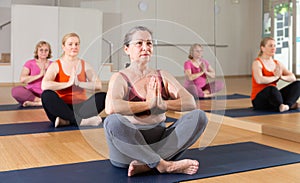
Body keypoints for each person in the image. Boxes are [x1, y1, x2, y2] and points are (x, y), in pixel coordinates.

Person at [103, 26, 208, 177]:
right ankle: (163, 164)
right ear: (127, 49)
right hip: (128, 151)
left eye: (149, 43)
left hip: (159, 141)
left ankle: (148, 164)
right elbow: (111, 107)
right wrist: (148, 105)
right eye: (139, 43)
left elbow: (190, 102)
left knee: (199, 117)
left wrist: (164, 104)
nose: (145, 47)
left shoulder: (162, 75)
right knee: (112, 121)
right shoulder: (120, 78)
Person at [41, 32, 106, 127]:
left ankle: (67, 121)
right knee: (46, 95)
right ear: (63, 47)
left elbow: (98, 85)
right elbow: (44, 85)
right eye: (70, 44)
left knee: (103, 96)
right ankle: (81, 121)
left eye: (77, 44)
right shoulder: (56, 65)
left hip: (80, 107)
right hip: (61, 108)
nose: (74, 47)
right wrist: (68, 83)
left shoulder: (85, 65)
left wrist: (79, 83)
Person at [251, 37, 300, 112]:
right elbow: (259, 80)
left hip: (274, 97)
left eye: (274, 46)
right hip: (259, 100)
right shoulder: (257, 63)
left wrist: (281, 77)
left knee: (298, 83)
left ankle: (286, 105)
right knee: (271, 88)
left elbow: (292, 77)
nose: (273, 48)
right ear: (262, 48)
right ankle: (283, 105)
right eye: (270, 46)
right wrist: (276, 77)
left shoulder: (277, 63)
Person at [11, 41, 52, 107]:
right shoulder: (29, 63)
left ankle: (37, 103)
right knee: (15, 91)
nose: (43, 52)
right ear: (37, 51)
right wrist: (39, 75)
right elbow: (22, 79)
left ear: (49, 52)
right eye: (41, 50)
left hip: (46, 93)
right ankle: (40, 101)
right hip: (31, 94)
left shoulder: (53, 64)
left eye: (46, 50)